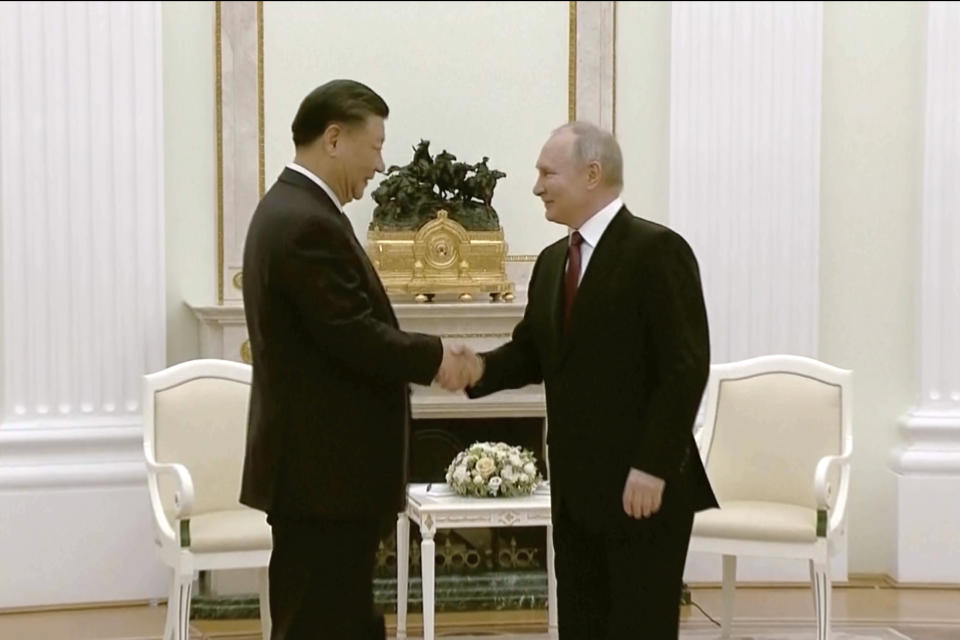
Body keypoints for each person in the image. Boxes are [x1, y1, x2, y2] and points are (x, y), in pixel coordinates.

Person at [454, 121, 718, 639]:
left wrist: (652, 466)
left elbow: (685, 367)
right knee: (582, 623)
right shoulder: (553, 262)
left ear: (592, 174)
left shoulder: (657, 250)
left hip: (642, 488)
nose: (536, 186)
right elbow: (534, 353)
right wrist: (476, 369)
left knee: (638, 626)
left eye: (547, 172)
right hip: (575, 490)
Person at [239, 79, 468, 640]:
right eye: (376, 146)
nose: (382, 164)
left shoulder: (291, 208)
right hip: (325, 476)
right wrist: (437, 356)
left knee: (338, 618)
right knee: (325, 621)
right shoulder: (306, 221)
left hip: (322, 476)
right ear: (335, 138)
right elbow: (353, 336)